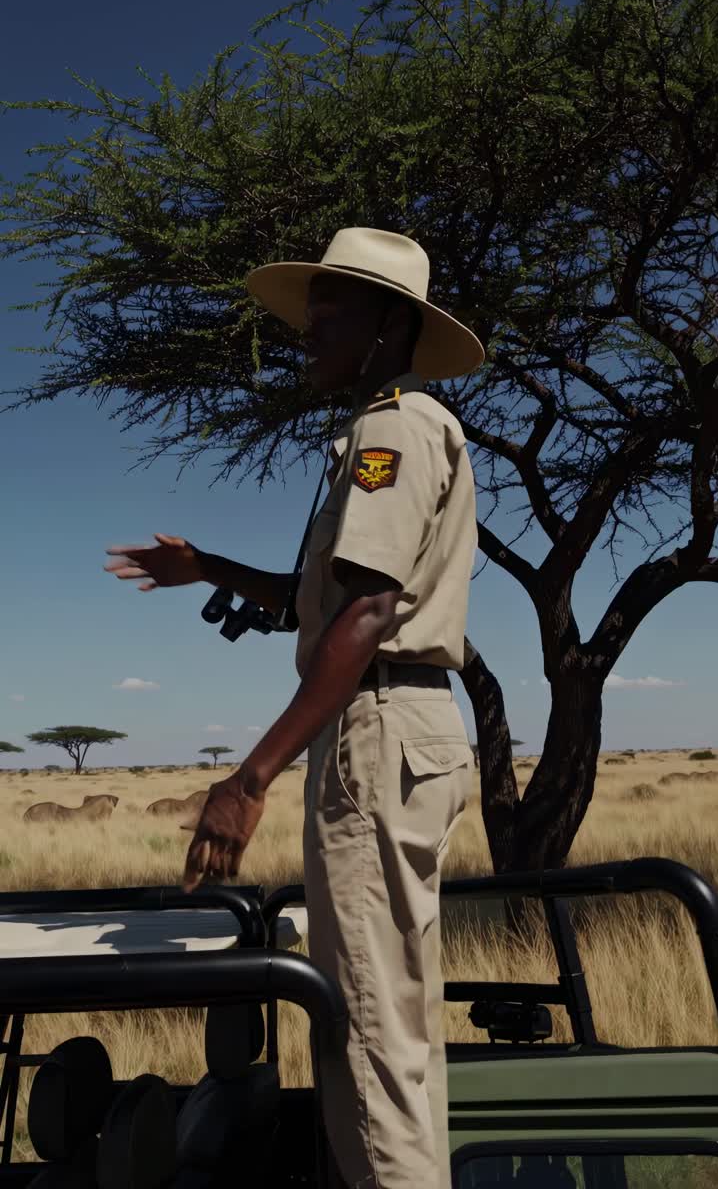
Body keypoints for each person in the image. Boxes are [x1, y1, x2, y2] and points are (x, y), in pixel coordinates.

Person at [105, 226, 485, 1189]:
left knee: (363, 1037)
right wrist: (208, 570)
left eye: (331, 314)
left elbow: (364, 615)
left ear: (391, 326)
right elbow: (323, 599)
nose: (306, 333)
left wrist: (249, 777)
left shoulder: (391, 429)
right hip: (403, 728)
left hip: (377, 728)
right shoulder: (388, 427)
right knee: (394, 1031)